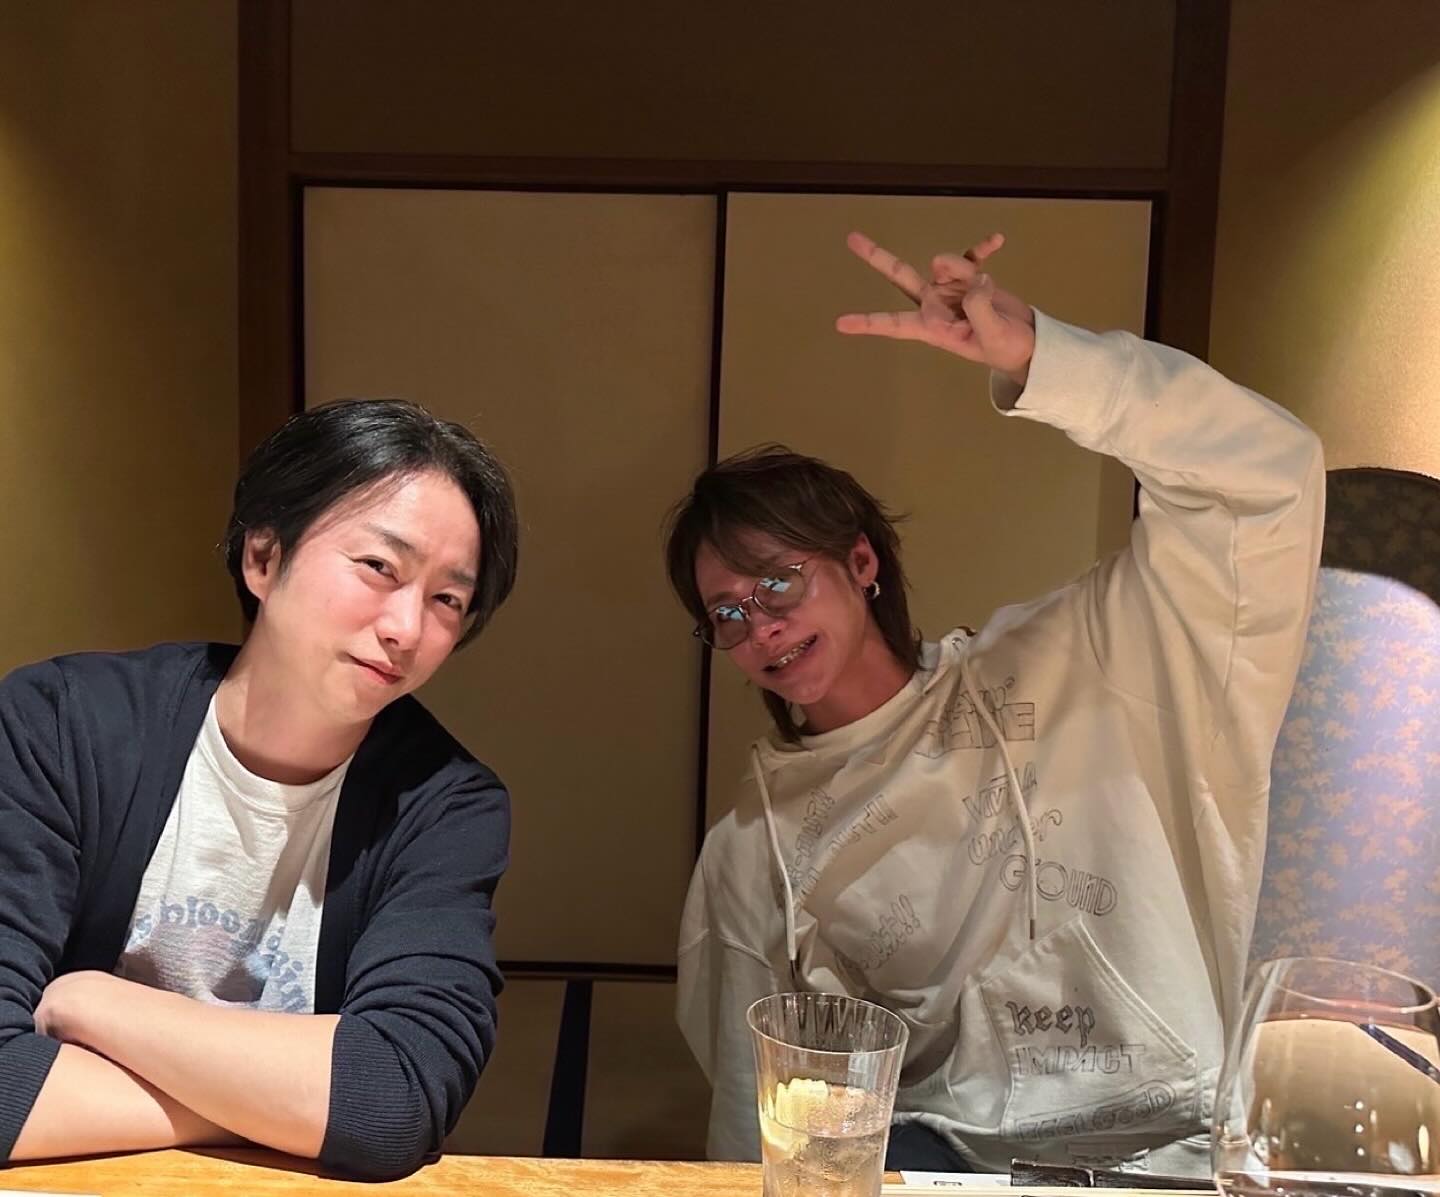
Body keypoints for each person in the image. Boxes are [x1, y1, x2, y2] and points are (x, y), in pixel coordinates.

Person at [668, 232, 1324, 1174]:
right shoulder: (756, 842)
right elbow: (757, 1100)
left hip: (1173, 1148)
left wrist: (1048, 362)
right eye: (727, 613)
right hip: (947, 1165)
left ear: (861, 561)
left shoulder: (1080, 659)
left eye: (777, 581)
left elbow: (1265, 481)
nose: (760, 626)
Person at [0, 399, 519, 1180]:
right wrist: (285, 1107)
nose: (407, 629)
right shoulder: (60, 724)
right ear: (264, 557)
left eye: (447, 599)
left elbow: (394, 1099)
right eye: (379, 567)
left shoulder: (445, 804)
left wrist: (92, 1003)